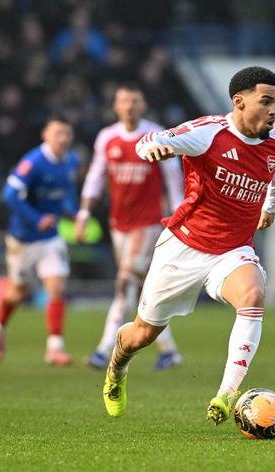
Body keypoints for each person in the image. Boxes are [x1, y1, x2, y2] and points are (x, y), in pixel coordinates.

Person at [101, 66, 275, 422]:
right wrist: (154, 149)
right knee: (142, 335)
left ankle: (226, 395)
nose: (273, 110)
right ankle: (117, 368)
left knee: (252, 295)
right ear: (239, 101)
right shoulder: (207, 133)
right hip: (184, 247)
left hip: (233, 250)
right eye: (266, 101)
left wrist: (270, 207)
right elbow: (149, 140)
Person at [75, 84, 184, 370]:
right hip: (118, 224)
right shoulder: (107, 137)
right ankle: (169, 351)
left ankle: (104, 350)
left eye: (134, 101)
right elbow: (96, 176)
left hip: (147, 223)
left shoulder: (156, 136)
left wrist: (179, 216)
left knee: (124, 283)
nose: (129, 106)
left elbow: (173, 178)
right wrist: (84, 213)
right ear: (116, 106)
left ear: (142, 105)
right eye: (124, 101)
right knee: (142, 288)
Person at [0, 116, 80, 365]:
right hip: (23, 238)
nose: (63, 138)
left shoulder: (71, 160)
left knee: (56, 287)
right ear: (45, 135)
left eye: (67, 133)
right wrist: (36, 218)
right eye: (58, 133)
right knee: (17, 292)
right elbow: (9, 195)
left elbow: (66, 191)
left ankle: (55, 348)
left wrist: (72, 212)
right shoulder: (34, 162)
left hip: (50, 238)